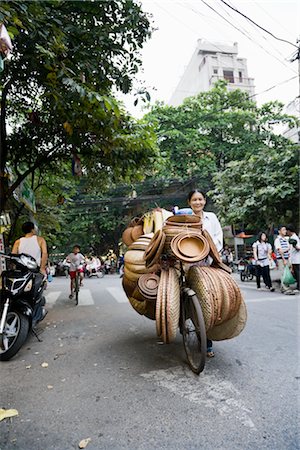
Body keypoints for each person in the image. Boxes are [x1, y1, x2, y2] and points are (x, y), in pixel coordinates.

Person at [187, 189, 223, 358]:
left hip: (209, 264)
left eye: (200, 199)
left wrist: (208, 247)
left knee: (209, 301)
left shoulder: (212, 218)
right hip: (189, 265)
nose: (198, 202)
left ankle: (208, 341)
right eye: (194, 200)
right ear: (189, 202)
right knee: (192, 300)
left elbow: (218, 237)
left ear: (204, 201)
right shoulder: (184, 219)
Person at [12, 221, 48, 323]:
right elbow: (44, 254)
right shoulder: (40, 239)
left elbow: (13, 256)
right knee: (36, 294)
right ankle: (36, 317)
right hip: (35, 271)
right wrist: (42, 268)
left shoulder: (18, 242)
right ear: (33, 229)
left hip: (21, 272)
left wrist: (15, 268)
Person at [274, 226, 292, 294]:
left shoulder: (286, 239)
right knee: (283, 274)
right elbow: (280, 251)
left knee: (288, 274)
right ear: (279, 231)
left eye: (285, 230)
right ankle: (285, 289)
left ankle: (284, 288)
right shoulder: (277, 240)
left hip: (287, 258)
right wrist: (284, 259)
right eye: (283, 230)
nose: (285, 231)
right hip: (281, 259)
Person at [286, 224, 300, 292]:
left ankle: (299, 288)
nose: (286, 232)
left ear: (289, 231)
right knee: (296, 273)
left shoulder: (295, 238)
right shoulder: (291, 237)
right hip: (293, 259)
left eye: (287, 231)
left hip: (297, 259)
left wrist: (294, 245)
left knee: (298, 274)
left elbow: (298, 248)